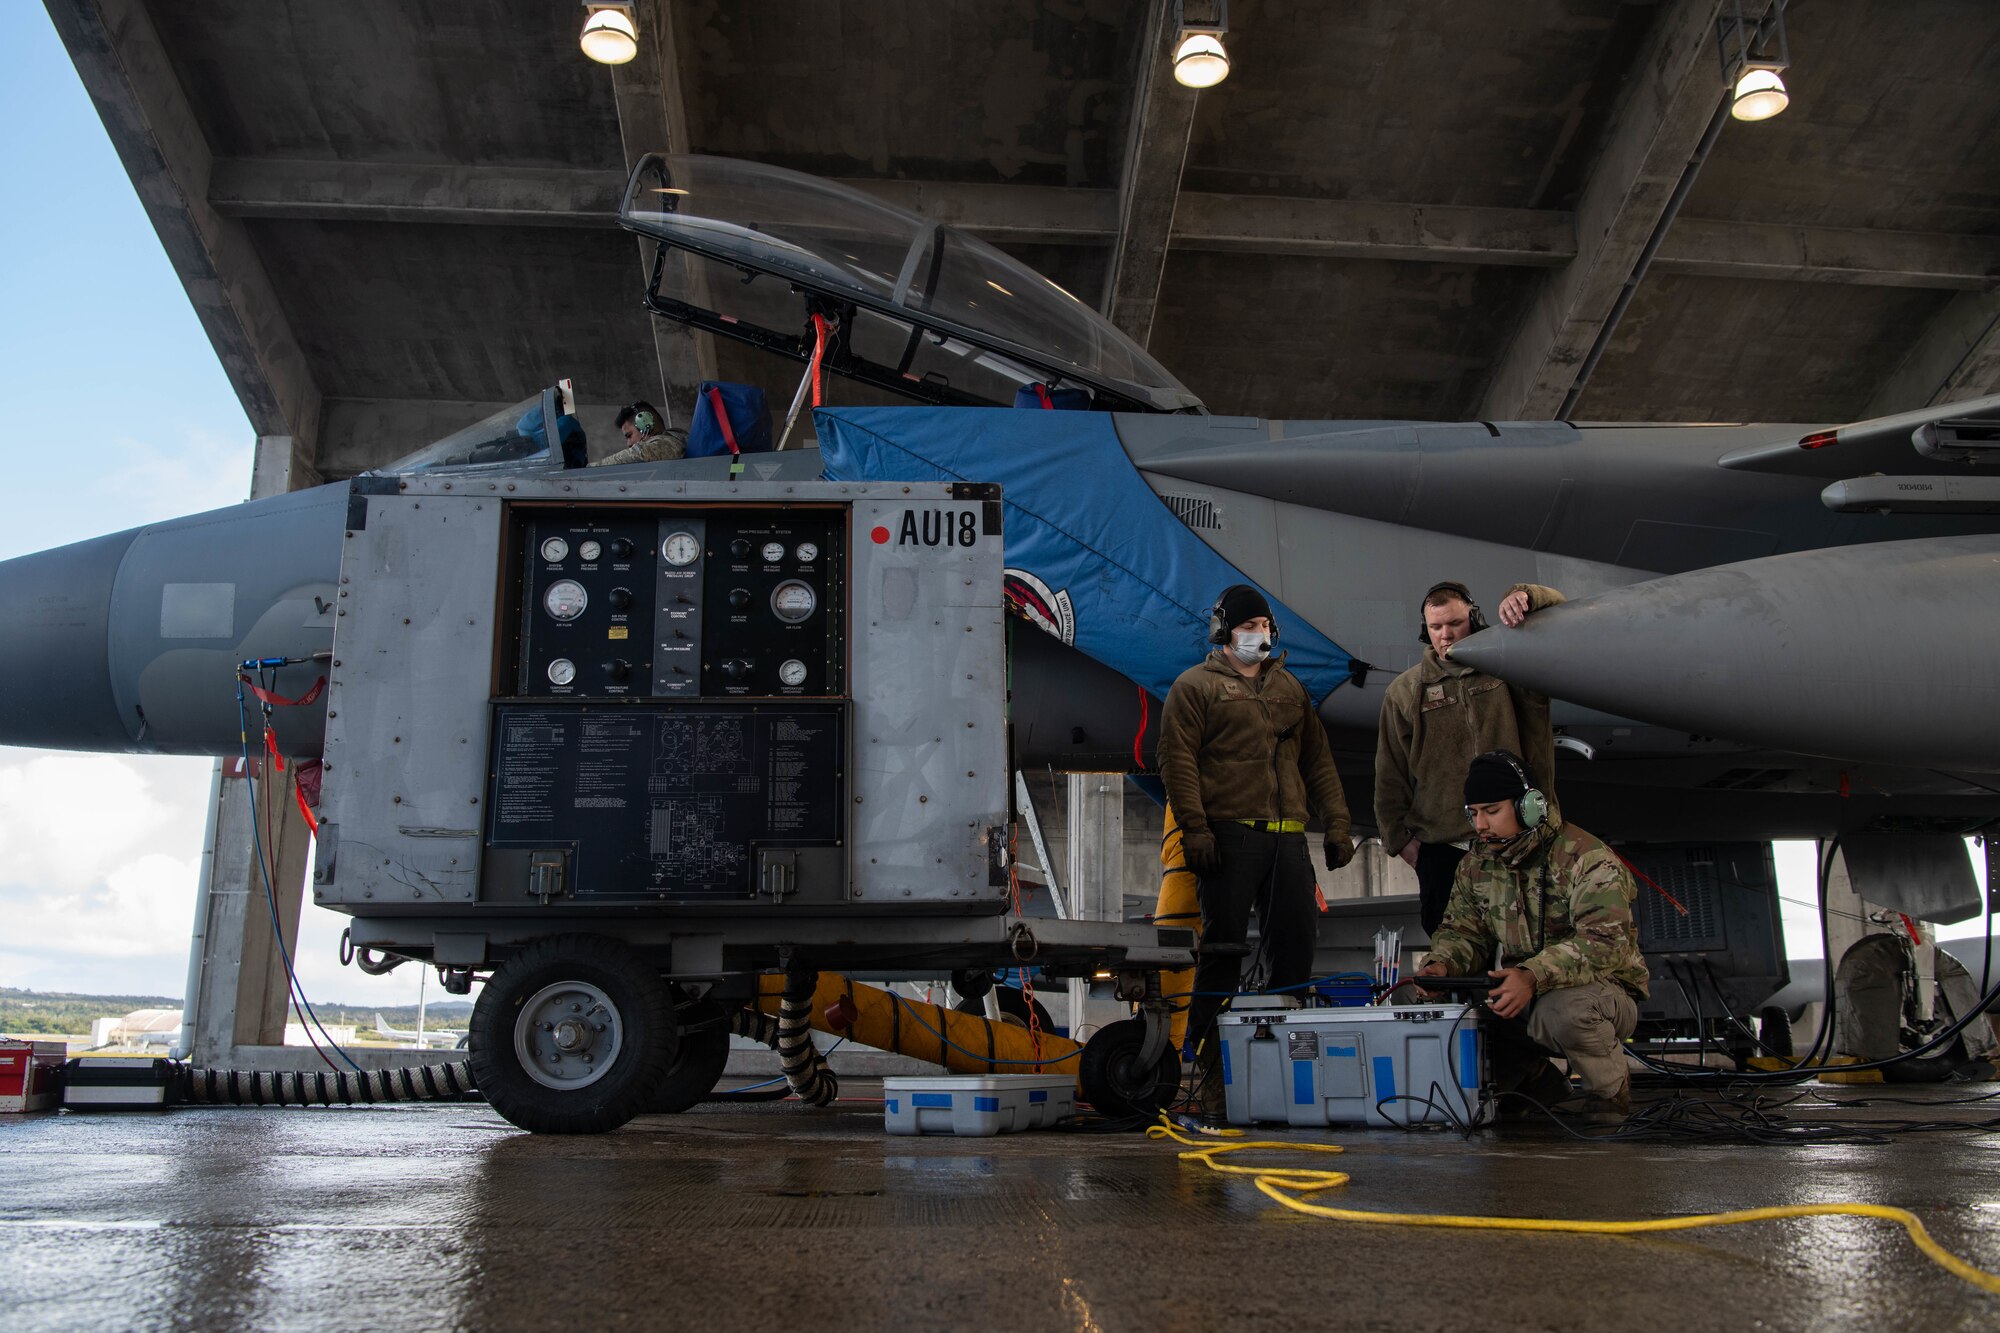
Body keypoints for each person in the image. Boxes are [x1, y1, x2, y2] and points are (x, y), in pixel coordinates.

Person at [1158, 583, 1355, 1060]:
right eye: (1248, 627)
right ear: (1224, 631)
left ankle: (1285, 1062)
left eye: (1264, 626)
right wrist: (1196, 831)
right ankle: (1204, 1064)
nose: (1259, 636)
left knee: (1294, 949)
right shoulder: (1195, 687)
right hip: (1228, 837)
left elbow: (1318, 761)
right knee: (1222, 952)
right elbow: (1176, 761)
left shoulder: (1290, 689)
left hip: (1287, 840)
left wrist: (1337, 825)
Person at [1416, 750, 1649, 1118]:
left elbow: (1604, 943)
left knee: (1563, 1012)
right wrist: (1442, 965)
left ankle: (1610, 1096)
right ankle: (1538, 1084)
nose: (1480, 825)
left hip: (1602, 994)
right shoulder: (1477, 865)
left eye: (1491, 811)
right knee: (1451, 1015)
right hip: (1522, 992)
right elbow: (1463, 930)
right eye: (1473, 813)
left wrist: (1532, 975)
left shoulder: (1588, 858)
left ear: (1529, 807)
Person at [1375, 579, 1565, 936]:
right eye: (1436, 627)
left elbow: (1558, 612)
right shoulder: (1404, 692)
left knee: (1527, 952)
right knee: (1453, 958)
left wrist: (1525, 595)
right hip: (1445, 850)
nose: (1445, 634)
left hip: (1518, 845)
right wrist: (1402, 843)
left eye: (1454, 623)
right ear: (1425, 630)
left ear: (1474, 620)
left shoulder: (1509, 670)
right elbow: (1389, 775)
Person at [595, 401, 687, 466]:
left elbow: (639, 453)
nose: (629, 444)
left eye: (629, 435)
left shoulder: (669, 442)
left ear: (645, 424)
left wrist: (589, 468)